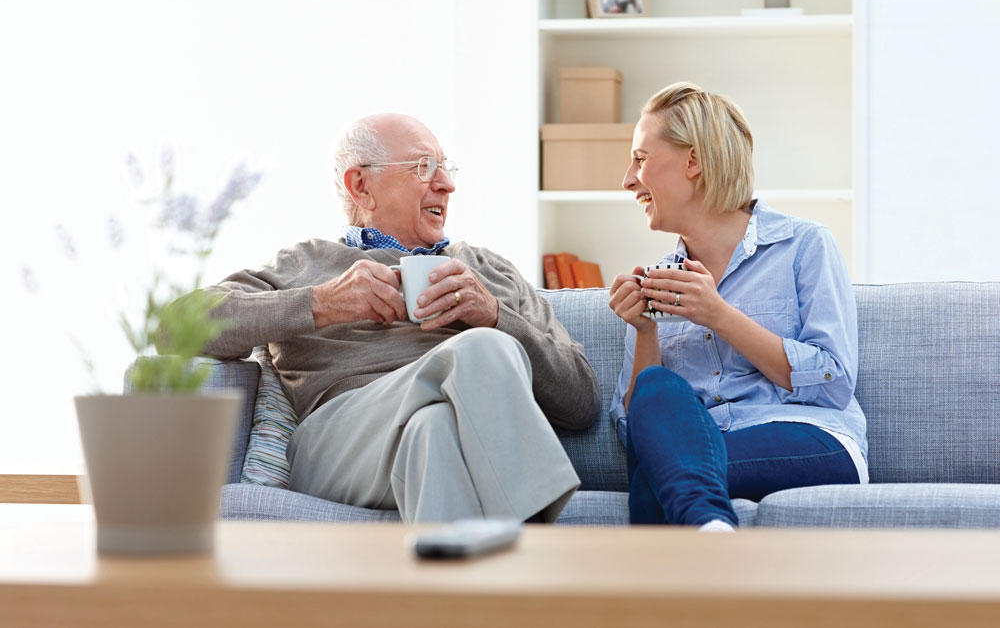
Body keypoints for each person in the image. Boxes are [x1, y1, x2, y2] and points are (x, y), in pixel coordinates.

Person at [177, 113, 600, 523]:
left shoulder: (490, 273)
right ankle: (543, 554)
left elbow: (581, 401)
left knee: (432, 430)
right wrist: (323, 303)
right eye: (424, 166)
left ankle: (451, 594)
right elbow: (177, 326)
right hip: (339, 443)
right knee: (480, 352)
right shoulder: (306, 263)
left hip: (427, 439)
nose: (447, 184)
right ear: (361, 185)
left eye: (446, 168)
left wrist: (494, 316)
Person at [607, 82, 867, 531]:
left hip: (808, 436)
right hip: (698, 447)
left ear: (693, 161)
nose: (628, 180)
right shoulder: (659, 282)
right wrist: (646, 331)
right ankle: (711, 531)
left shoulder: (803, 246)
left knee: (658, 478)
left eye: (641, 159)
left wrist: (718, 314)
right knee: (654, 390)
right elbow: (638, 432)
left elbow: (833, 382)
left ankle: (677, 570)